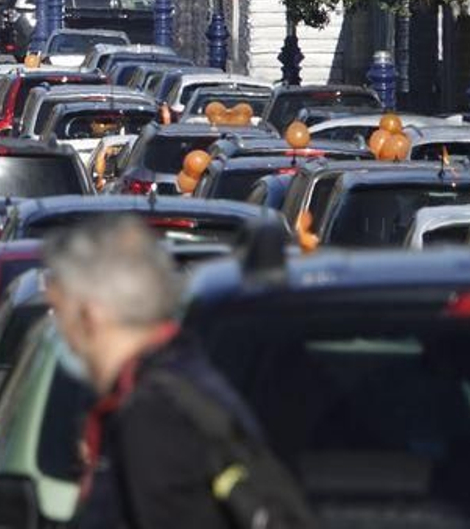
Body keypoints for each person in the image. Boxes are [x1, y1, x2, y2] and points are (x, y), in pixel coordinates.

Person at [45, 216, 313, 529]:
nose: (59, 331)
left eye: (60, 313)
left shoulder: (153, 416)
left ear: (91, 315)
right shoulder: (182, 378)